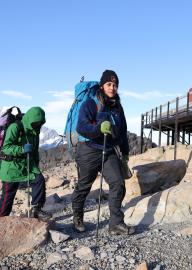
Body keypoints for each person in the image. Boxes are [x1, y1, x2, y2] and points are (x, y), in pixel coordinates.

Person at [72, 69, 135, 235]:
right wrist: (98, 128)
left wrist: (125, 152)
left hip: (108, 150)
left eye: (115, 85)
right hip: (89, 149)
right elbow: (81, 127)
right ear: (102, 86)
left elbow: (122, 131)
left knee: (118, 183)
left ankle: (115, 223)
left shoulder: (117, 107)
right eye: (109, 84)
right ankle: (77, 216)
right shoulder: (91, 103)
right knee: (84, 186)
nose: (112, 87)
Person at [0, 107, 51, 220]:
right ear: (29, 119)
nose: (38, 125)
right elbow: (6, 148)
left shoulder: (35, 131)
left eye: (40, 122)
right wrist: (21, 149)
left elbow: (35, 151)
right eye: (36, 122)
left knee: (39, 180)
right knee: (8, 197)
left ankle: (36, 210)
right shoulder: (15, 127)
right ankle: (2, 219)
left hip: (27, 165)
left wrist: (36, 166)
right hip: (11, 166)